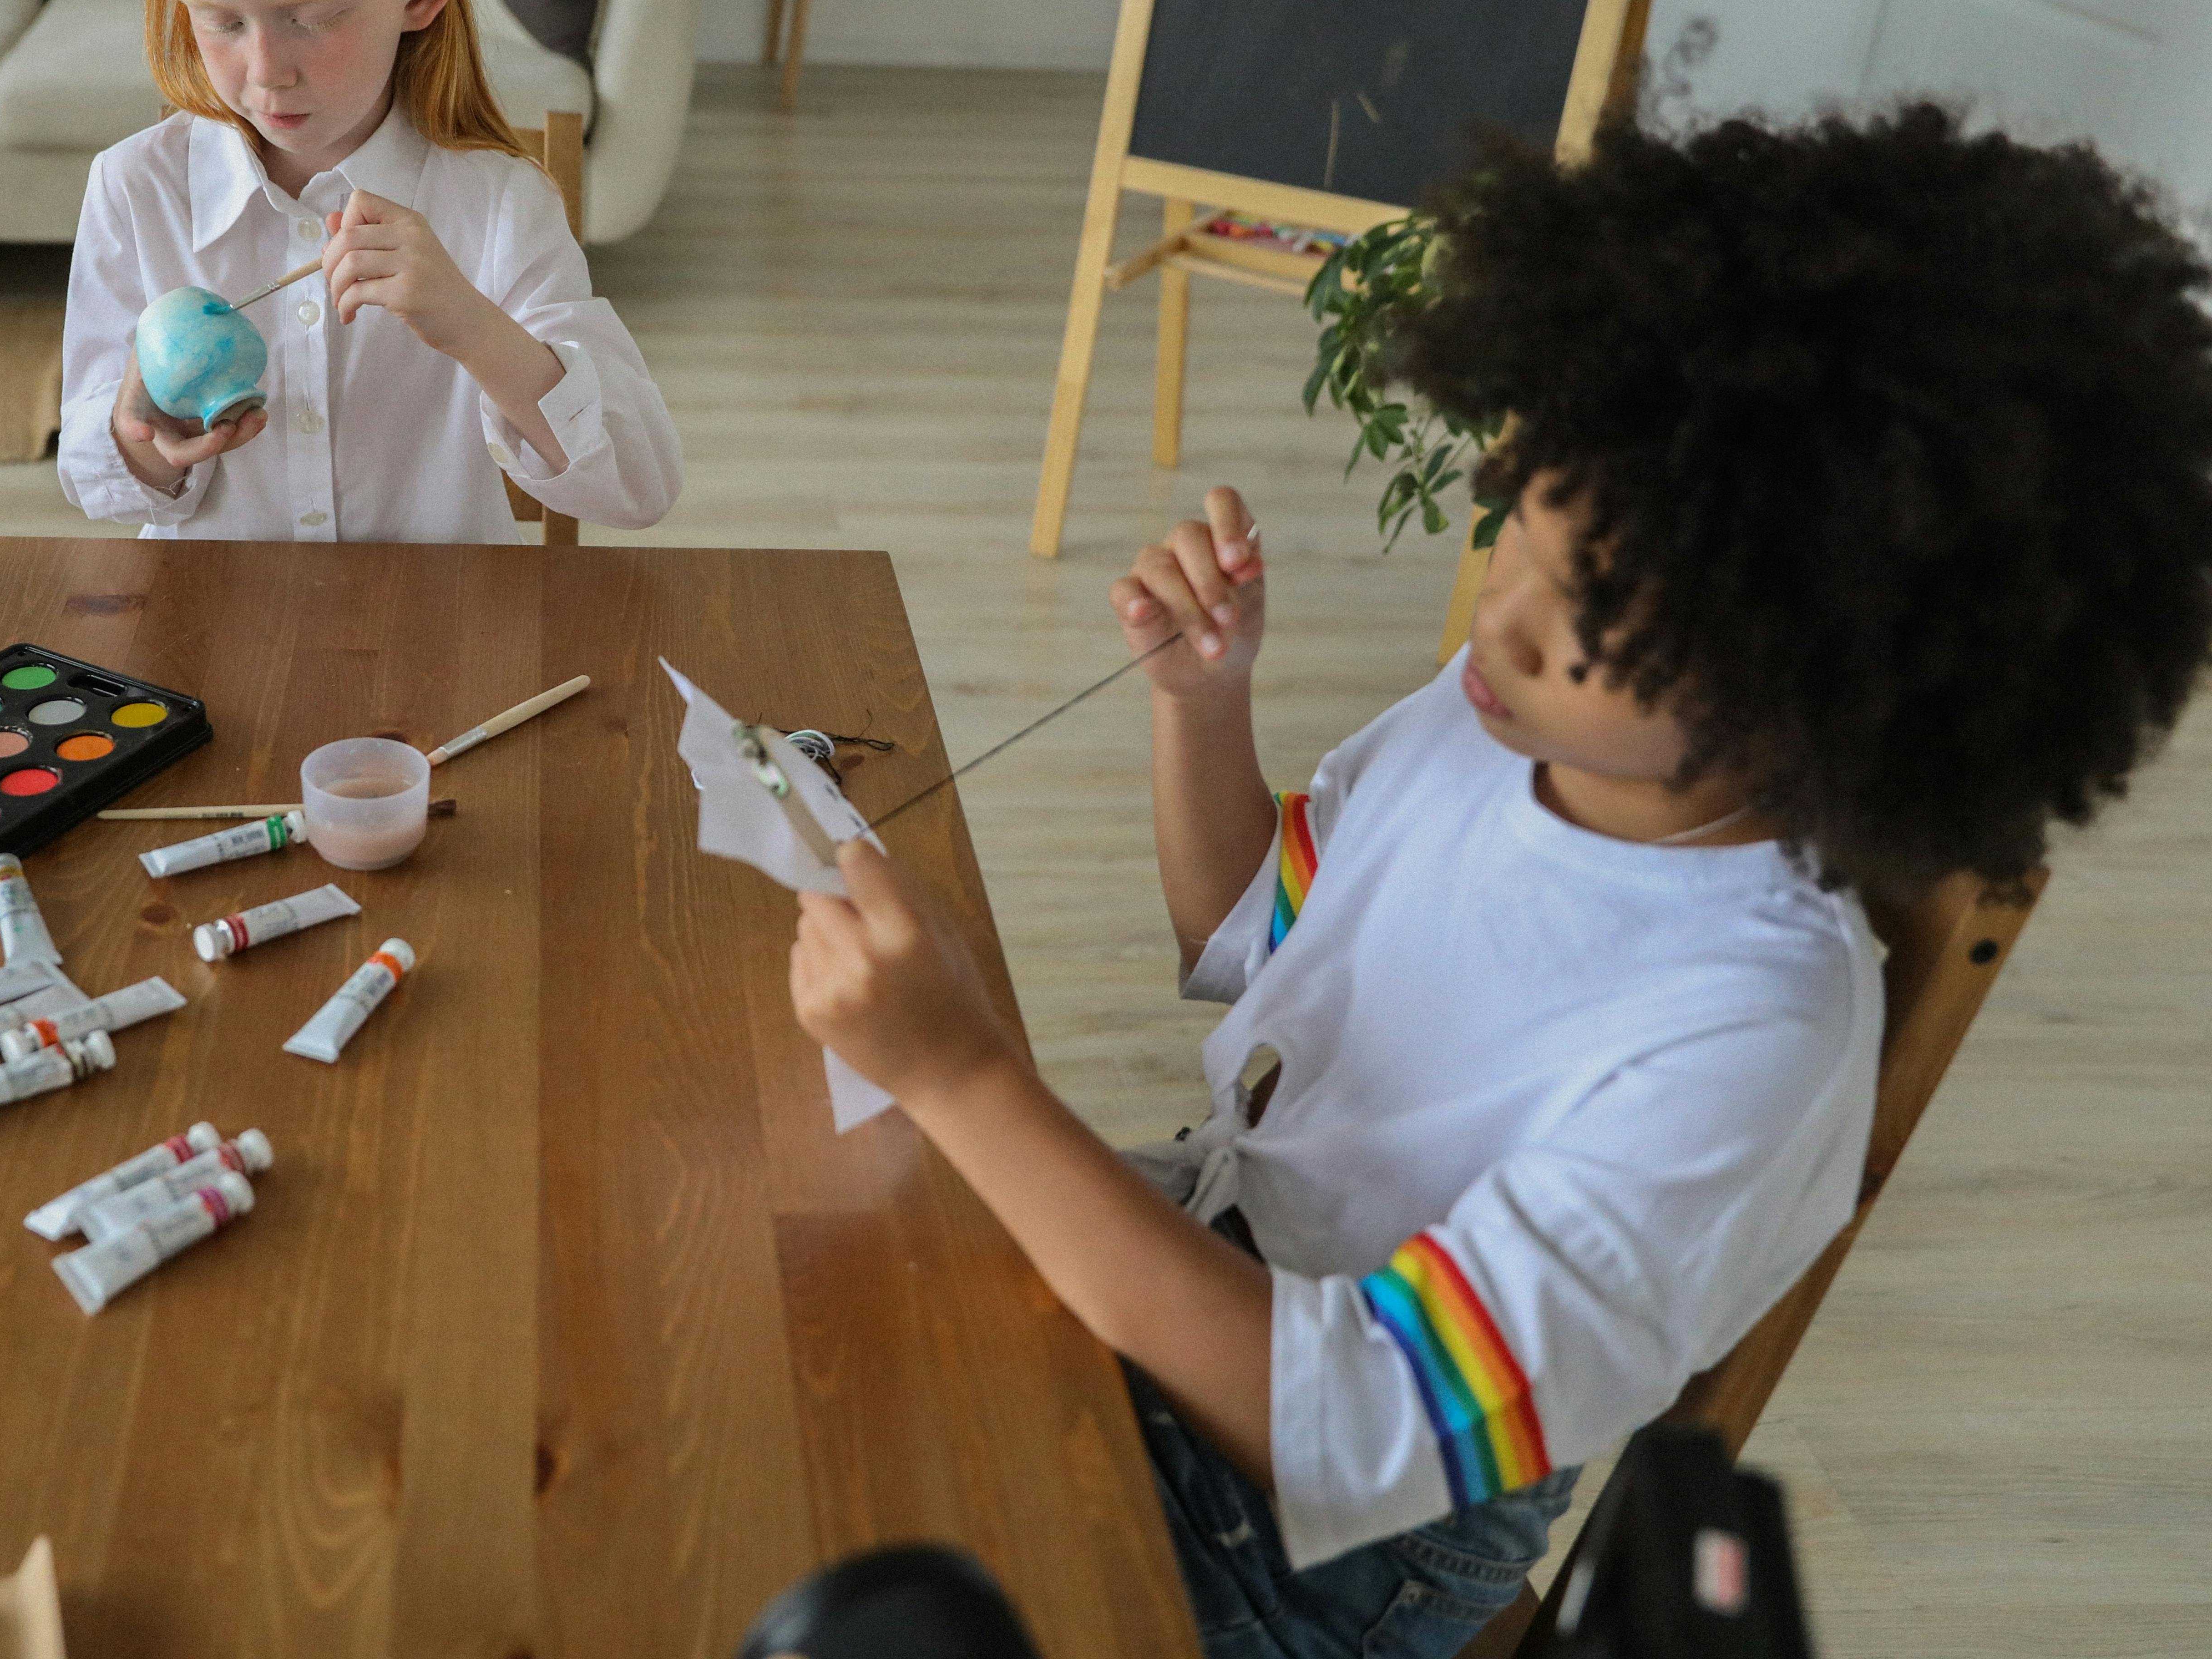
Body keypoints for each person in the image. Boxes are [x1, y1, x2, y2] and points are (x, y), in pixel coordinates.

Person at [787, 104, 2212, 1659]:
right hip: (1215, 1264)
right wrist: (1201, 708)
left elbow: (1349, 1425)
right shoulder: (1510, 735)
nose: (1498, 624)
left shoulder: (1750, 1041)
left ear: (1814, 672)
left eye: (1578, 608)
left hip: (1327, 1543)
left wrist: (968, 1075)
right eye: (1518, 537)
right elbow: (1251, 931)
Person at [56, 0, 682, 542]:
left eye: (312, 20)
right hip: (216, 643)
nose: (267, 71)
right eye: (222, 21)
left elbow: (641, 487)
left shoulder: (498, 202)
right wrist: (148, 442)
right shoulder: (136, 189)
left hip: (437, 642)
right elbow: (92, 480)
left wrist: (474, 327)